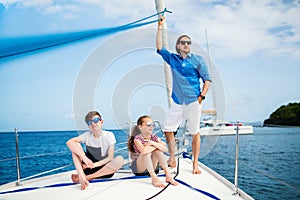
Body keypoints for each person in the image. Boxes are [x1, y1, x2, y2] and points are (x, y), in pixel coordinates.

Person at [156, 16, 212, 174]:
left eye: (188, 42)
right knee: (168, 129)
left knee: (195, 133)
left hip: (194, 101)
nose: (186, 44)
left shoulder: (198, 59)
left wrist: (201, 97)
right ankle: (172, 157)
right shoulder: (173, 59)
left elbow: (207, 80)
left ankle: (195, 164)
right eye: (183, 42)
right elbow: (159, 48)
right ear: (178, 46)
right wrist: (160, 26)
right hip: (177, 102)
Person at [66, 111, 124, 190]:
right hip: (88, 168)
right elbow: (69, 142)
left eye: (96, 120)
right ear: (88, 126)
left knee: (120, 159)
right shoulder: (87, 135)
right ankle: (81, 175)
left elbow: (110, 158)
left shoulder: (109, 135)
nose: (93, 124)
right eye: (90, 122)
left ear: (101, 122)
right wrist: (85, 159)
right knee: (75, 147)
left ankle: (86, 178)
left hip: (104, 171)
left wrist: (94, 165)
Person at [127, 115, 178, 187]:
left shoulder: (154, 137)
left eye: (153, 125)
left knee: (158, 150)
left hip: (153, 167)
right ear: (140, 126)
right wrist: (157, 145)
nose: (151, 126)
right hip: (140, 169)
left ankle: (168, 175)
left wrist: (151, 143)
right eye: (148, 125)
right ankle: (154, 178)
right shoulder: (137, 139)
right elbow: (144, 151)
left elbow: (165, 149)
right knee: (147, 152)